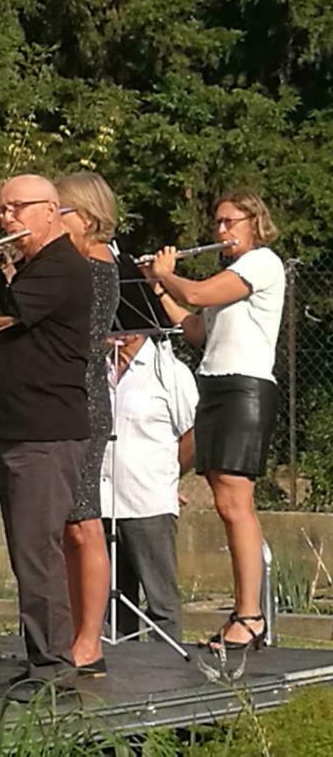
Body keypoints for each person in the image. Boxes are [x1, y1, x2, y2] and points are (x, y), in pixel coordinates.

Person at [0, 174, 92, 694]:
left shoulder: (61, 266)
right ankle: (41, 655)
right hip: (17, 427)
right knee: (25, 549)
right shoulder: (33, 267)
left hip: (45, 431)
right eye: (2, 210)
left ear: (51, 211)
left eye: (17, 208)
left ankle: (52, 664)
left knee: (37, 551)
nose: (7, 218)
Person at [144, 191, 284, 652]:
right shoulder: (230, 275)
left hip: (244, 389)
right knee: (221, 498)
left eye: (230, 222)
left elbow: (200, 293)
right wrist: (160, 287)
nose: (221, 231)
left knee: (234, 501)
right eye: (218, 223)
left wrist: (171, 274)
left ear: (254, 221)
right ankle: (245, 613)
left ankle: (250, 614)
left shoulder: (261, 263)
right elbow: (196, 329)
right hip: (216, 384)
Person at [54, 171, 120, 675]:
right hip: (60, 393)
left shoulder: (95, 267)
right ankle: (74, 632)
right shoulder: (67, 264)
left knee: (84, 519)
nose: (55, 219)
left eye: (62, 211)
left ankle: (90, 641)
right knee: (68, 524)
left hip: (84, 394)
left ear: (90, 218)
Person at [101, 334, 197, 643]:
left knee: (160, 600)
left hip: (148, 501)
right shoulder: (94, 369)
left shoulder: (169, 371)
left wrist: (169, 473)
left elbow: (194, 433)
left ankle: (166, 670)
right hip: (100, 502)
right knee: (108, 602)